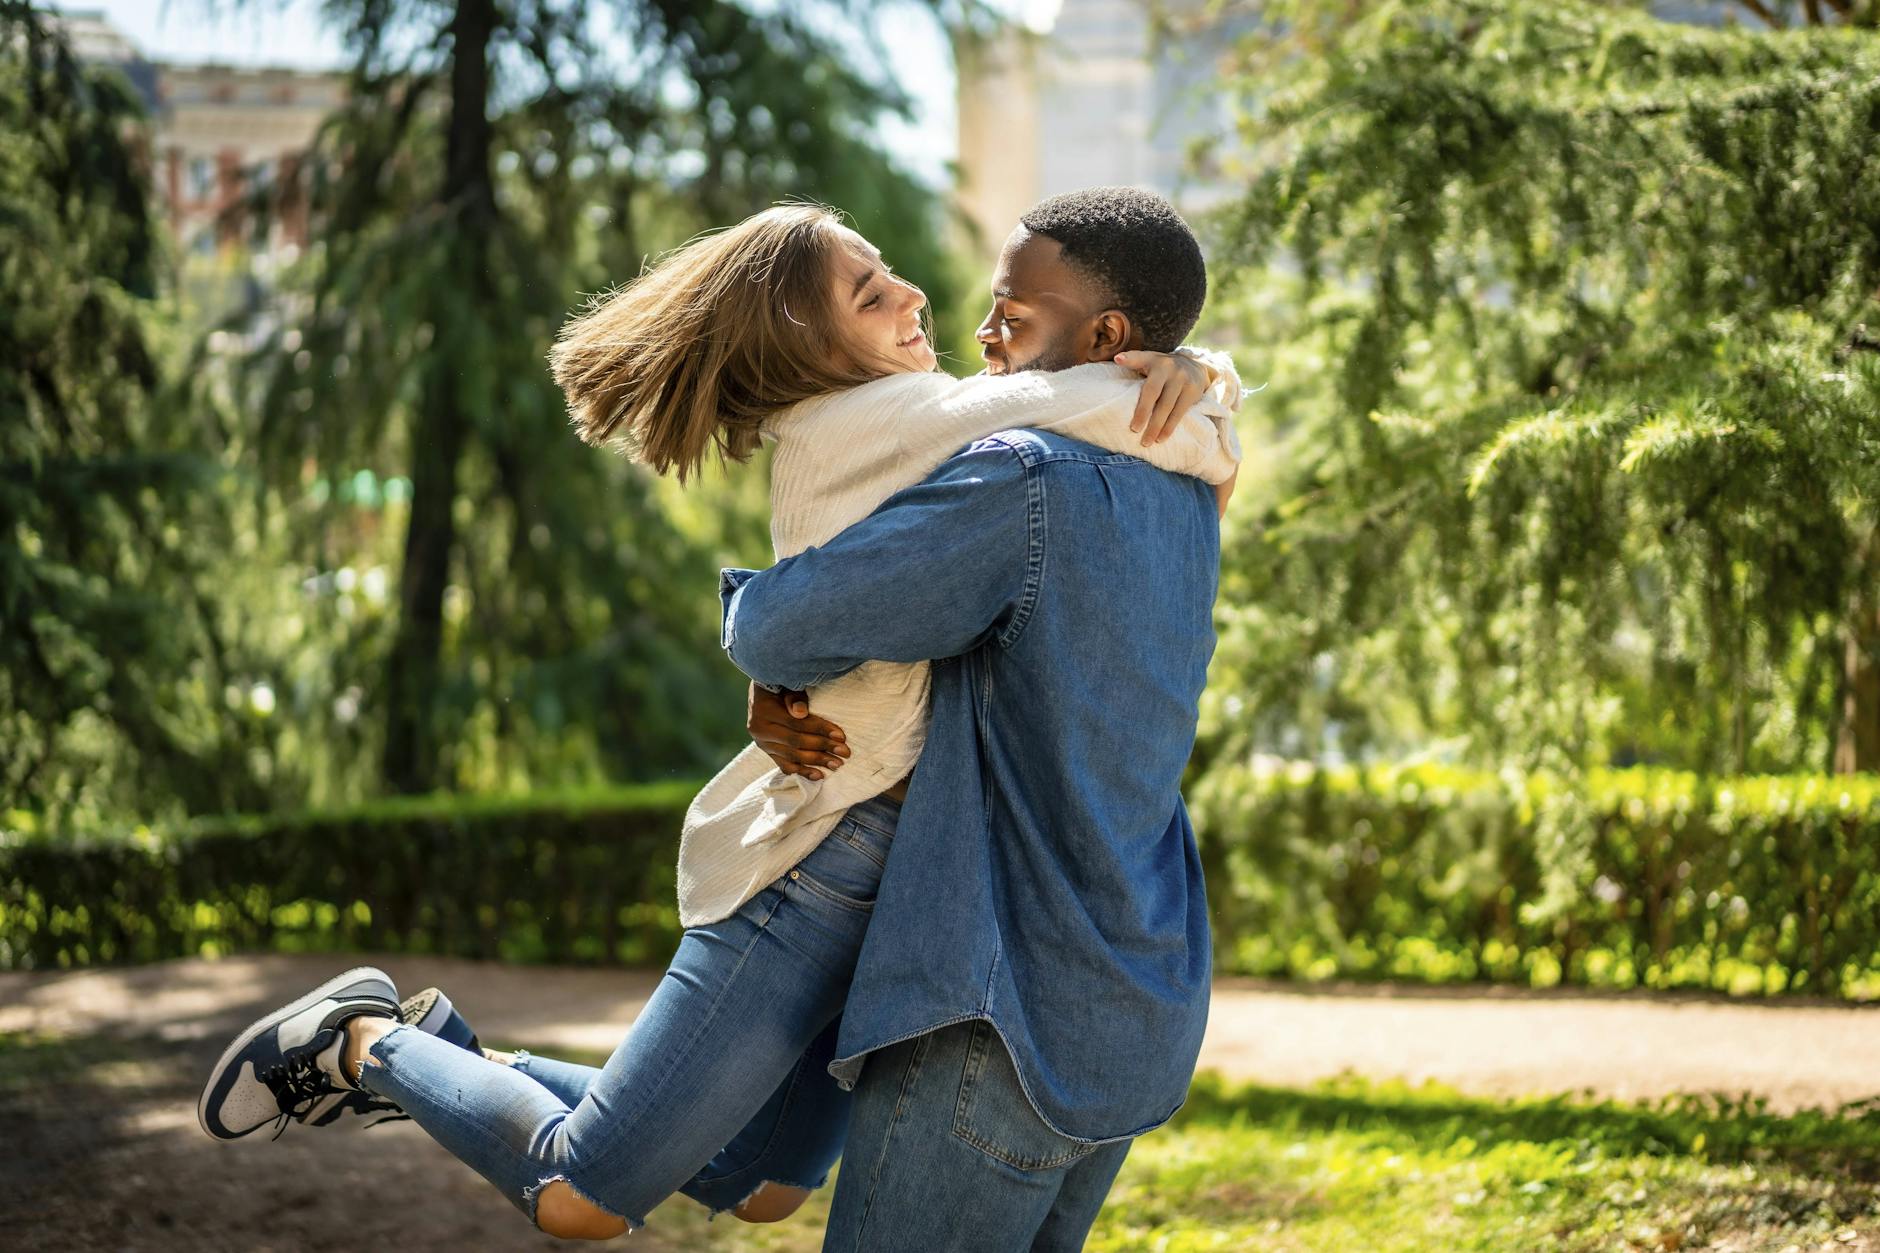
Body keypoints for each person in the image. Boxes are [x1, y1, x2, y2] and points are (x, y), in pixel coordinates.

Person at [195, 189, 1240, 1243]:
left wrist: (1188, 374)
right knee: (580, 1193)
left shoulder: (1035, 454)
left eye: (1010, 319)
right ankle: (361, 1041)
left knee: (764, 1181)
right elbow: (804, 616)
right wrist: (1189, 384)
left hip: (927, 878)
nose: (956, 318)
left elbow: (885, 580)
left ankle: (451, 1057)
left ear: (1103, 333)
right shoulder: (1039, 459)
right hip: (859, 859)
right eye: (871, 292)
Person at [719, 186, 1229, 1250]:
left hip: (999, 1007)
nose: (983, 330)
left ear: (1105, 337)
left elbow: (780, 627)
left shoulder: (1017, 477)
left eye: (1016, 310)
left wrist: (759, 639)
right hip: (1138, 994)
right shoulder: (1189, 481)